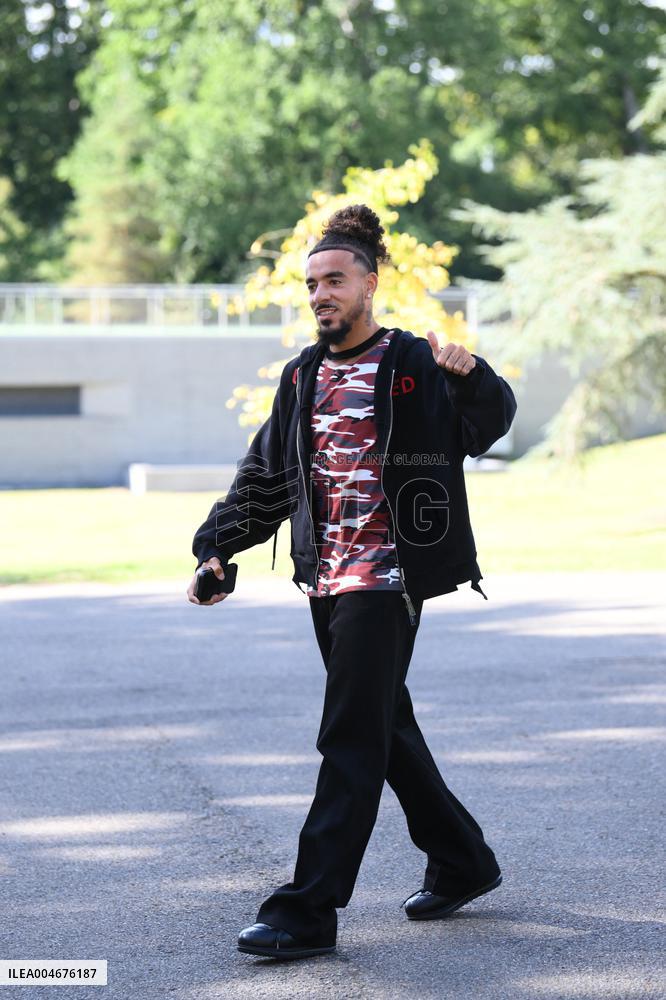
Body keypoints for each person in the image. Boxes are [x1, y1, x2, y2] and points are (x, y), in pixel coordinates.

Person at [187, 204, 517, 961]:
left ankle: (307, 910)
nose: (320, 295)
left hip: (389, 578)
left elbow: (489, 423)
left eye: (334, 280)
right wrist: (217, 550)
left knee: (348, 737)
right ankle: (463, 860)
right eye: (311, 284)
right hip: (327, 580)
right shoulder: (302, 376)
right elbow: (267, 473)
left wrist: (471, 376)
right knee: (382, 728)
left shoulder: (413, 363)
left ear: (369, 283)